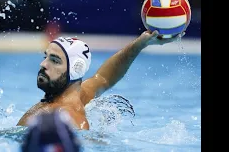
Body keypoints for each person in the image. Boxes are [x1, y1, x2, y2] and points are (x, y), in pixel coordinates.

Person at [17, 30, 185, 130]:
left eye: (54, 60)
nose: (43, 64)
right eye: (45, 57)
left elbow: (104, 78)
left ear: (76, 69)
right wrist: (140, 44)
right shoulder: (73, 102)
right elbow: (104, 77)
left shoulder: (72, 113)